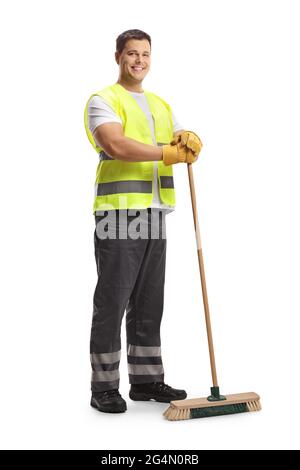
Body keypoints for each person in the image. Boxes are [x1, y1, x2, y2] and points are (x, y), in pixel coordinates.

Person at [84, 29, 203, 413]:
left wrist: (189, 140)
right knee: (113, 299)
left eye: (146, 54)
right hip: (119, 212)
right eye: (132, 53)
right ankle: (104, 388)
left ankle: (147, 380)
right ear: (118, 56)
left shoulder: (161, 105)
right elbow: (115, 144)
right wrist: (169, 153)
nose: (139, 60)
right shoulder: (104, 100)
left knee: (150, 301)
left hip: (154, 212)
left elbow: (177, 138)